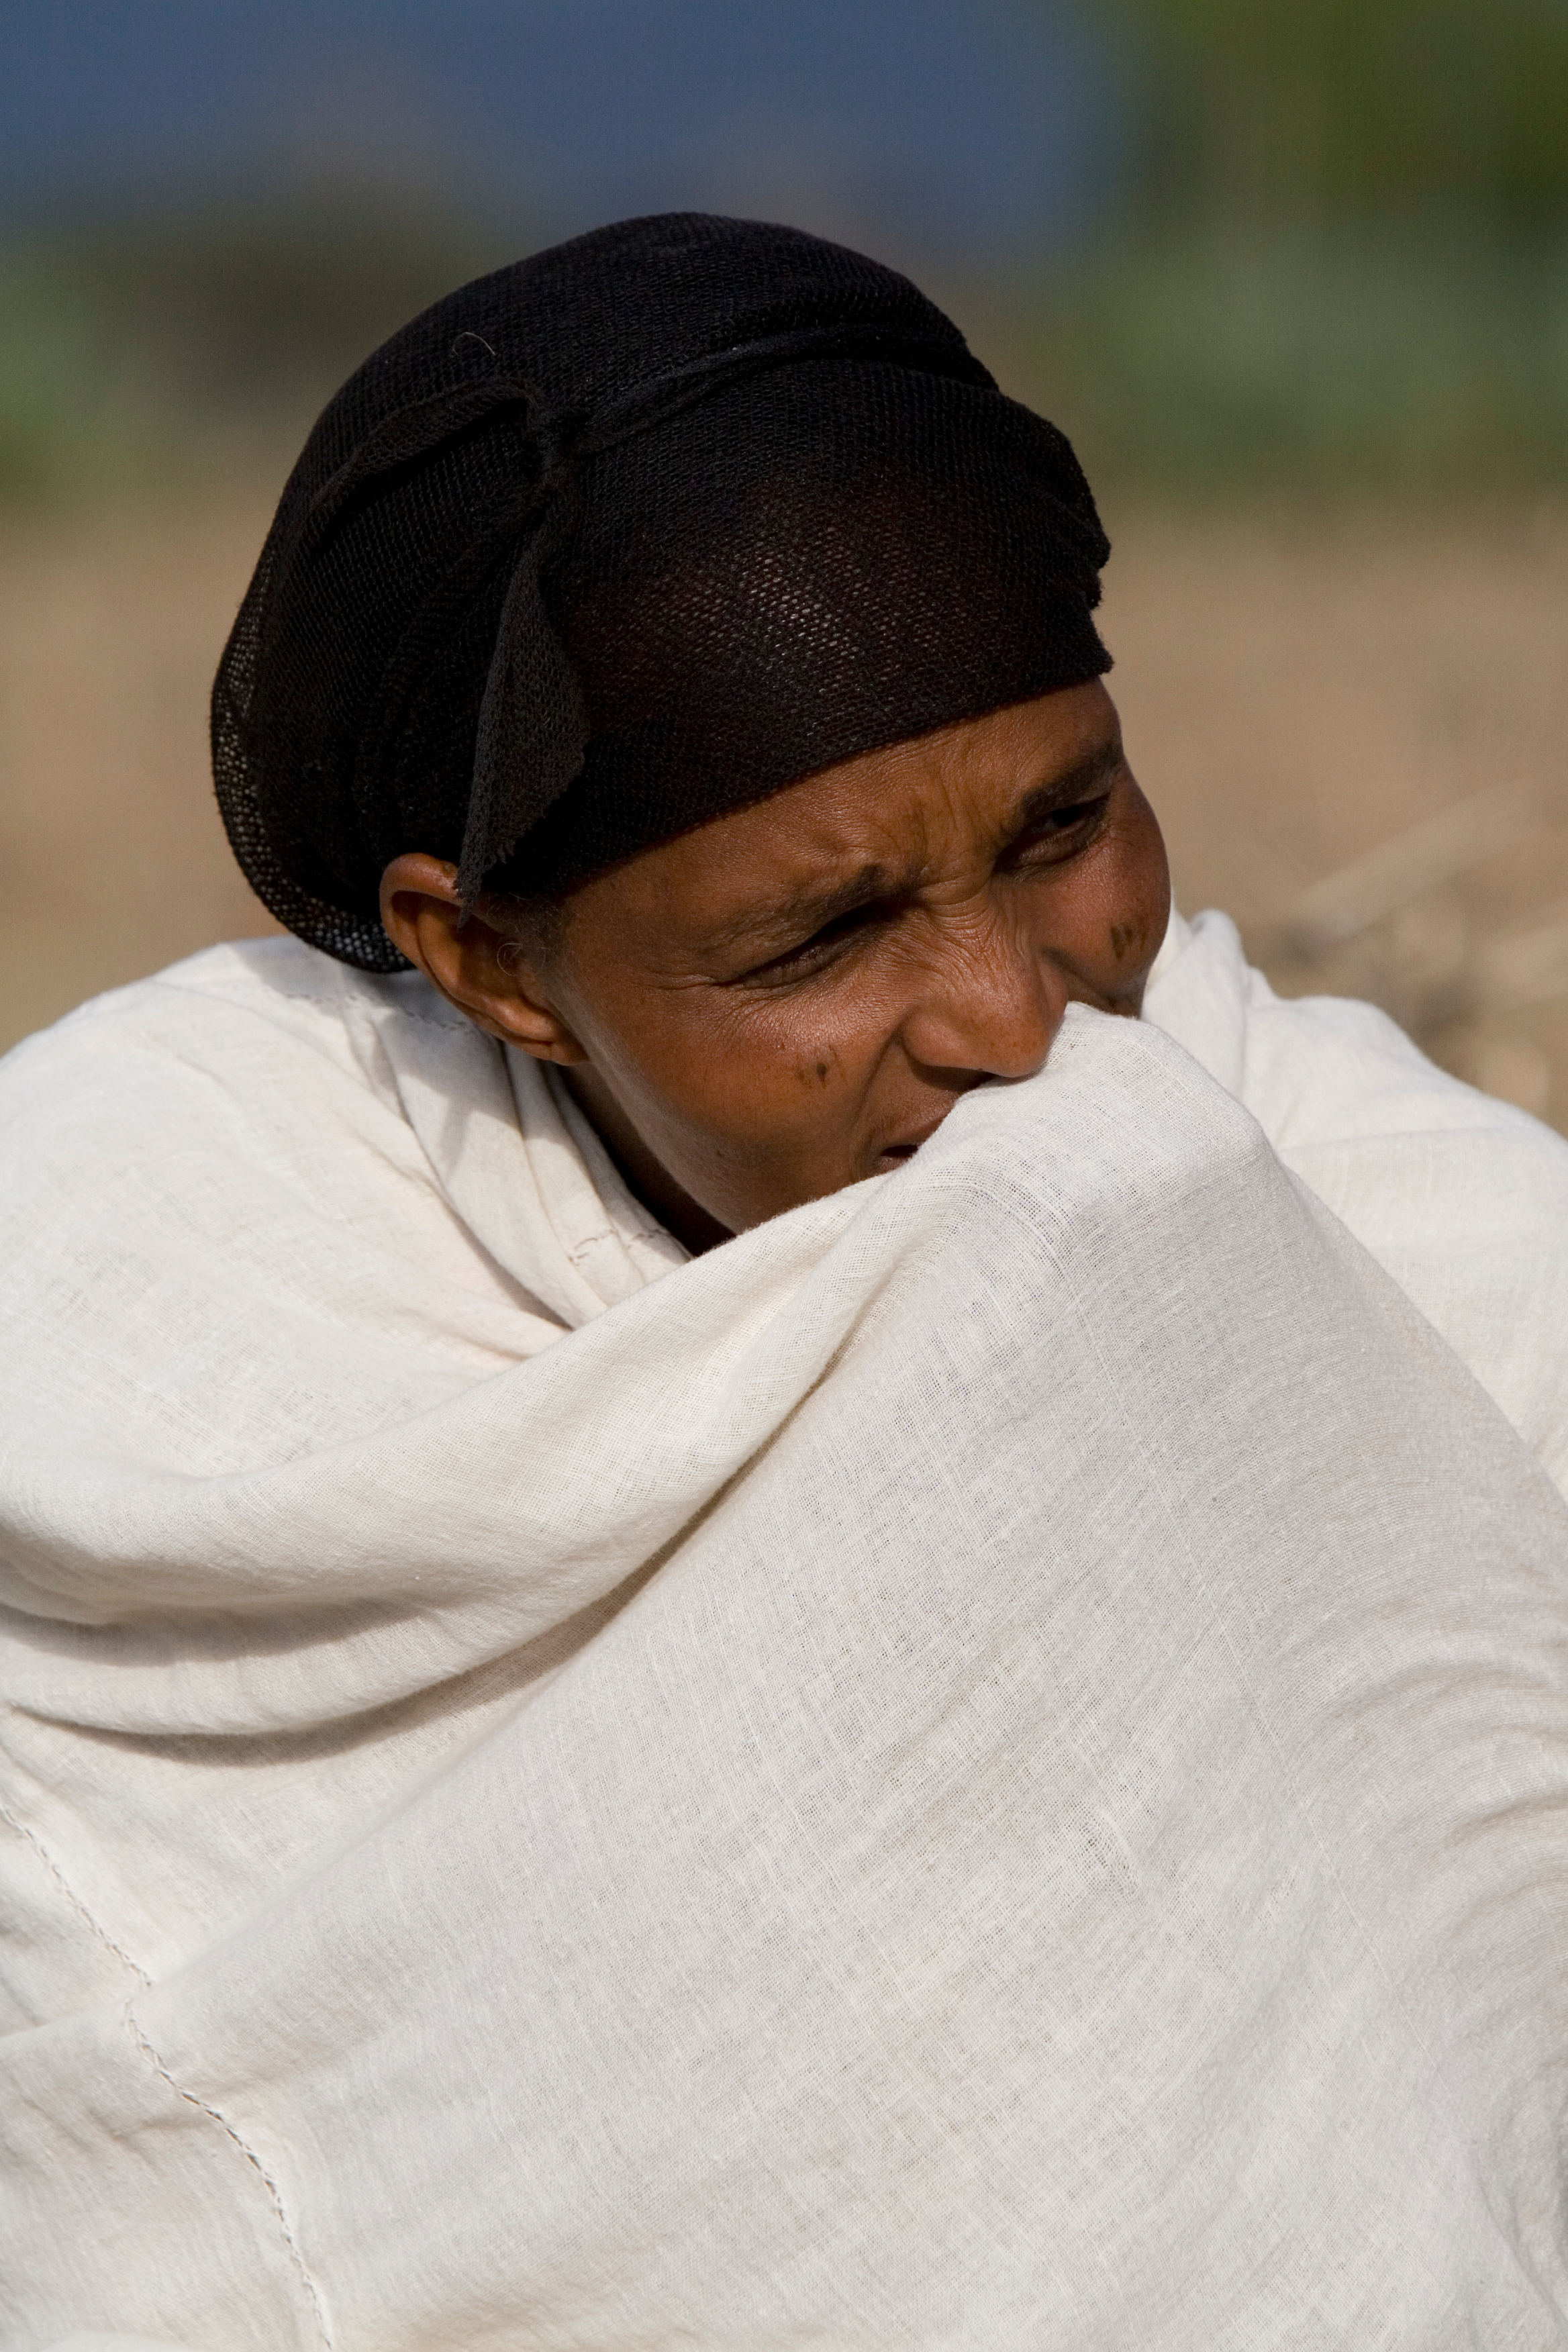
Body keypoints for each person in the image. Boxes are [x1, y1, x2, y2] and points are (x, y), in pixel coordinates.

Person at [7, 213, 1568, 2349]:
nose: (1018, 1024)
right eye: (817, 948)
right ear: (484, 963)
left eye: (1064, 828)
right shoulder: (136, 1303)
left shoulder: (1303, 1164)